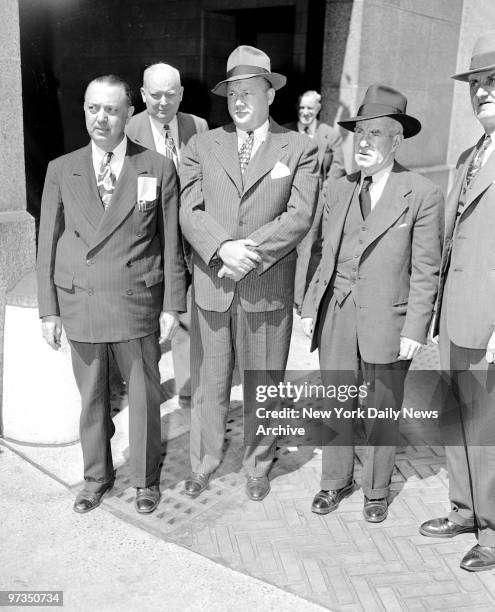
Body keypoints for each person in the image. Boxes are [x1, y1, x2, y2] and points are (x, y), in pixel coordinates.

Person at [37, 75, 187, 515]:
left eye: (112, 110)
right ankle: (95, 477)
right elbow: (49, 240)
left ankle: (144, 479)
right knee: (92, 399)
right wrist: (49, 310)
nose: (101, 118)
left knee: (143, 397)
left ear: (128, 114)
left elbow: (170, 243)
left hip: (135, 300)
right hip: (80, 300)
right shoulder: (62, 169)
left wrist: (171, 304)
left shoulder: (157, 167)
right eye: (92, 108)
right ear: (84, 110)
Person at [179, 45, 319, 501]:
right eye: (232, 92)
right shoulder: (201, 145)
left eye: (249, 91)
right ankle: (203, 463)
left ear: (270, 94)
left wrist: (248, 251)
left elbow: (299, 216)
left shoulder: (300, 148)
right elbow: (188, 208)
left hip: (266, 287)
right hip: (215, 286)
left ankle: (258, 464)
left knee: (265, 385)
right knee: (208, 386)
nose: (239, 101)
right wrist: (222, 248)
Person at [301, 84, 442, 523]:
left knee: (382, 408)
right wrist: (310, 308)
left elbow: (426, 270)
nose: (364, 142)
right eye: (359, 132)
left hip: (387, 319)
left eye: (376, 133)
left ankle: (376, 489)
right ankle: (334, 480)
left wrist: (415, 330)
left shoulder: (420, 193)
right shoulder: (339, 189)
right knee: (335, 400)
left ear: (396, 140)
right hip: (337, 310)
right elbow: (322, 251)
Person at [419, 32, 495, 572]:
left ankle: (492, 531)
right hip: (456, 316)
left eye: (494, 83)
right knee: (456, 421)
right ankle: (465, 510)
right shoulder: (471, 155)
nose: (483, 93)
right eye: (477, 84)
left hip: (489, 321)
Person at [127, 62, 208, 401]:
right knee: (149, 318)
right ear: (143, 94)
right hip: (148, 238)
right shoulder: (129, 129)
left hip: (189, 238)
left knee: (189, 312)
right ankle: (148, 390)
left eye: (171, 95)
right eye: (155, 95)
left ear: (182, 94)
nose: (163, 102)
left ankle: (189, 388)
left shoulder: (198, 126)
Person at [285, 90, 346, 312]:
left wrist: (323, 196)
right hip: (287, 199)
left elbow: (338, 168)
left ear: (318, 109)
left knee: (308, 250)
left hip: (315, 201)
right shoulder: (286, 131)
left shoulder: (330, 134)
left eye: (310, 108)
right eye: (302, 108)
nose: (305, 112)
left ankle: (301, 301)